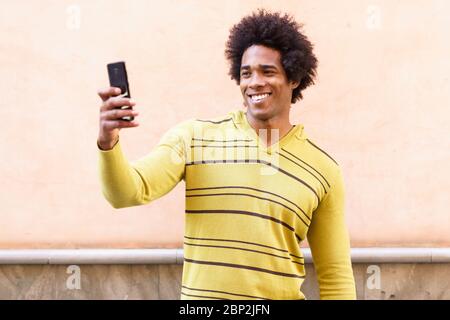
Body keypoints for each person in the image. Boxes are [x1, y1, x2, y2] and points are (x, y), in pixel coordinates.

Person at [97, 9, 356, 300]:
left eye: (267, 71)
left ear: (293, 78)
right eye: (246, 73)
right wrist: (109, 142)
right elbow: (126, 193)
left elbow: (336, 276)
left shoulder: (323, 169)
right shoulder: (193, 139)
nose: (254, 82)